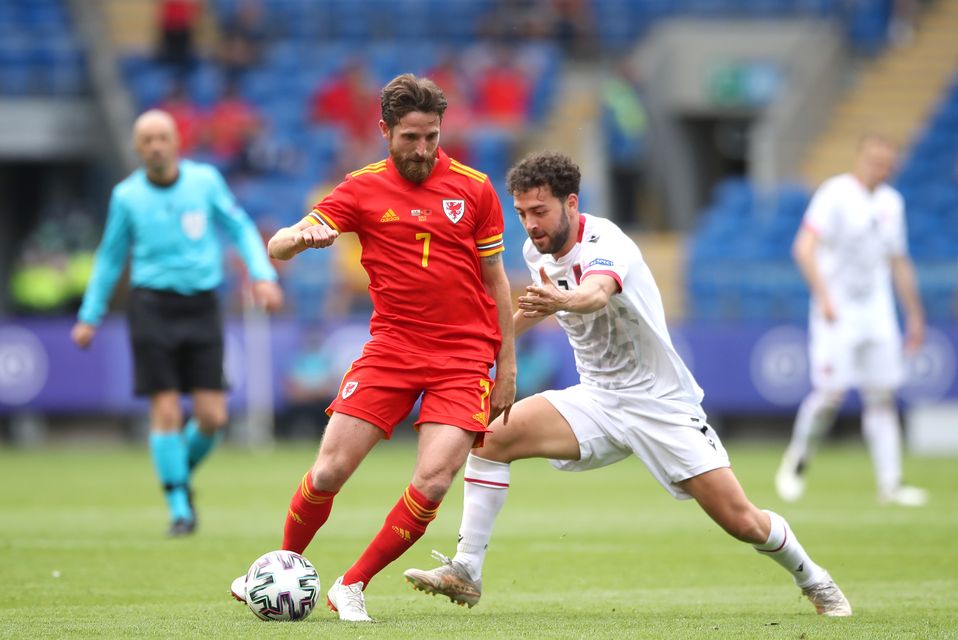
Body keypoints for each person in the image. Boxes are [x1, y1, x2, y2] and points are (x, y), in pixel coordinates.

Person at [403, 152, 852, 617]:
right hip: (596, 397)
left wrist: (562, 299)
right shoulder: (534, 252)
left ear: (571, 203)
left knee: (741, 521)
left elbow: (594, 293)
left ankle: (814, 579)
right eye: (521, 213)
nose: (530, 224)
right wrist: (484, 348)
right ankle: (467, 570)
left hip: (659, 403)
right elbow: (537, 308)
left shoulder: (607, 241)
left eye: (539, 211)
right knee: (490, 439)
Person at [229, 74, 517, 622]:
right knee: (328, 472)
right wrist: (300, 238)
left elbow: (497, 280)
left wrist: (506, 365)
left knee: (433, 479)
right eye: (410, 137)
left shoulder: (475, 189)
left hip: (463, 357)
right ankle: (279, 567)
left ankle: (352, 585)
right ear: (384, 130)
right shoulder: (360, 188)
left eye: (432, 136)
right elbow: (278, 244)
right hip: (391, 348)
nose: (423, 149)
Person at [71, 110, 284, 537]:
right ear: (137, 148)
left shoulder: (204, 183)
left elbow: (240, 227)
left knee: (212, 417)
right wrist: (89, 315)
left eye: (162, 138)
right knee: (165, 409)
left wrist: (262, 274)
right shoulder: (127, 196)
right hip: (151, 306)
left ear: (176, 142)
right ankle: (179, 508)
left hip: (202, 305)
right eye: (147, 140)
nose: (155, 146)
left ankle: (175, 476)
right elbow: (111, 257)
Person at [775, 134, 927, 507]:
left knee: (881, 395)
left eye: (887, 162)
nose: (880, 168)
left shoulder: (893, 202)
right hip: (837, 309)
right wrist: (824, 296)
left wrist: (914, 313)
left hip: (876, 310)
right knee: (830, 395)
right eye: (874, 160)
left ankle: (890, 484)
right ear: (860, 159)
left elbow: (898, 260)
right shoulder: (835, 194)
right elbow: (803, 248)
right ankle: (797, 460)